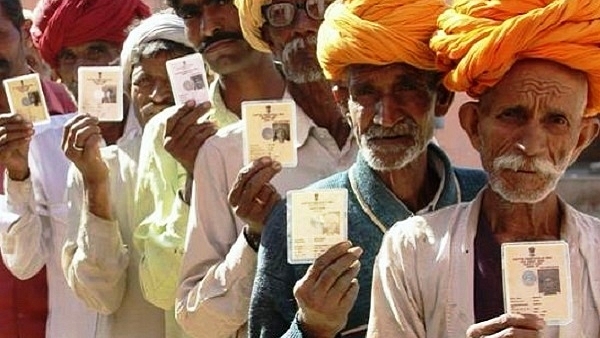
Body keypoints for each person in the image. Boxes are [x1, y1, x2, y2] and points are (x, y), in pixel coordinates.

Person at [248, 0, 488, 337]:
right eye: (366, 93)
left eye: (406, 88)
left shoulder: (488, 202)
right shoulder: (291, 220)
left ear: (443, 98)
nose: (385, 115)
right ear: (342, 101)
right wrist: (312, 326)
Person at [369, 0, 600, 336]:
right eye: (512, 115)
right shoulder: (412, 250)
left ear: (581, 139)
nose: (530, 145)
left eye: (556, 121)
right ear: (474, 126)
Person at [174, 0, 358, 336]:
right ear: (267, 37)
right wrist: (257, 238)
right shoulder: (226, 154)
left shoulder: (391, 138)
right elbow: (197, 320)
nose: (302, 26)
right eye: (282, 12)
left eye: (316, 7)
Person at [133, 1, 286, 335]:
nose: (209, 26)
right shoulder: (169, 133)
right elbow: (162, 289)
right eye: (191, 13)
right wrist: (194, 180)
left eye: (222, 4)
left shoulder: (321, 108)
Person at [60, 12, 197, 338]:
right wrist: (96, 187)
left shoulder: (225, 155)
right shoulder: (101, 167)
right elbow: (100, 297)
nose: (158, 95)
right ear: (127, 87)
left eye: (173, 79)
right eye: (144, 81)